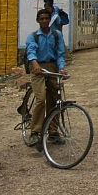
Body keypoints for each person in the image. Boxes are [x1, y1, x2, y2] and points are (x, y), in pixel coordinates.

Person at [25, 9, 67, 150]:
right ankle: (35, 131)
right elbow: (31, 53)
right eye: (41, 18)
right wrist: (36, 65)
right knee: (41, 98)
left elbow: (60, 53)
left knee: (55, 99)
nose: (44, 21)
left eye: (46, 18)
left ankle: (53, 131)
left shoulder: (57, 35)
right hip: (38, 67)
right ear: (38, 20)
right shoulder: (33, 37)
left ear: (50, 20)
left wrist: (61, 68)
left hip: (52, 66)